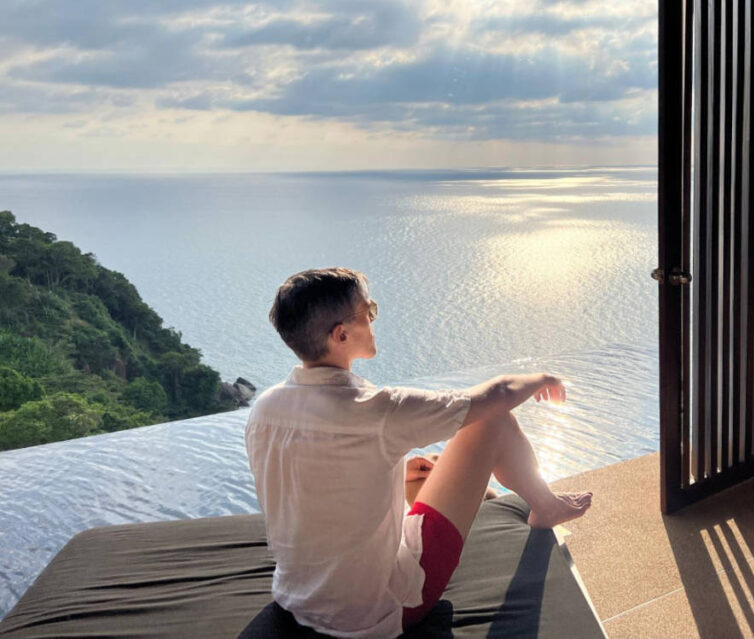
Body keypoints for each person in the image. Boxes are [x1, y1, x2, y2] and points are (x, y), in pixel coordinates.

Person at [245, 267, 592, 639]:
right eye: (369, 312)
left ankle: (540, 503)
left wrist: (386, 467)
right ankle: (545, 506)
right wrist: (543, 378)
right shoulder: (375, 410)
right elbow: (496, 395)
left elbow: (312, 480)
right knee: (493, 422)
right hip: (375, 612)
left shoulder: (264, 409)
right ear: (341, 335)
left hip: (297, 599)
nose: (374, 320)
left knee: (424, 469)